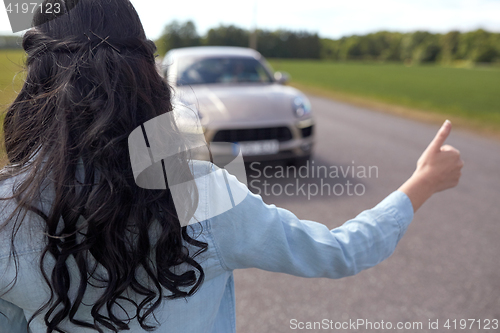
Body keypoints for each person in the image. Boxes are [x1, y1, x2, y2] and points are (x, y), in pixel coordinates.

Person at [0, 0, 463, 332]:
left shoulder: (7, 209)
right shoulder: (200, 195)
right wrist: (423, 182)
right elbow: (339, 251)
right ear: (147, 76)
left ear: (37, 80)